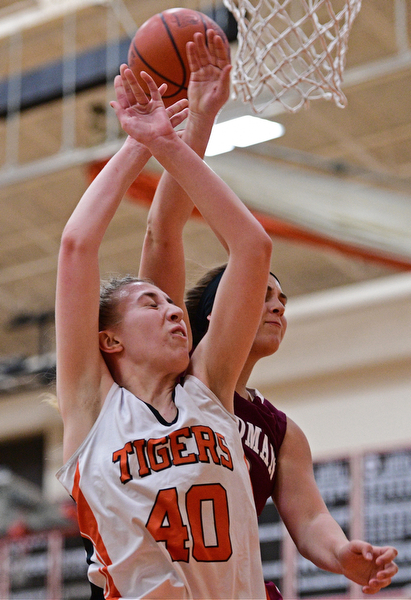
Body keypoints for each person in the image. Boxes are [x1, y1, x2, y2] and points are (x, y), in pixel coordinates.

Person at [138, 31, 399, 599]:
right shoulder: (170, 376)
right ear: (212, 316)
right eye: (261, 294)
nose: (277, 303)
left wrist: (340, 553)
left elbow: (308, 520)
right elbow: (163, 236)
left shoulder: (280, 431)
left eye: (283, 299)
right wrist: (198, 119)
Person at [55, 32, 273, 600]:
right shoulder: (92, 408)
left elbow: (251, 249)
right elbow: (78, 245)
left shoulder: (209, 390)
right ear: (109, 340)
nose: (176, 309)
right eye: (152, 303)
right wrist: (137, 145)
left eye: (174, 303)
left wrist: (170, 143)